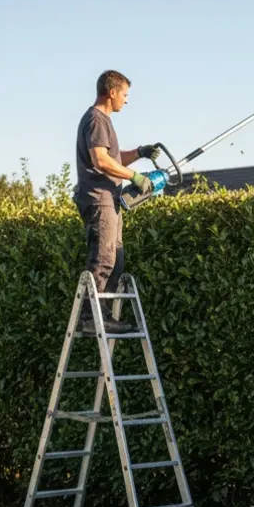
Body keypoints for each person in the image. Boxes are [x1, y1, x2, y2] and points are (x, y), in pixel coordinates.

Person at [74, 69, 160, 334]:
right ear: (112, 92)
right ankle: (91, 316)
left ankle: (104, 314)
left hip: (110, 199)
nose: (126, 99)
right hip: (98, 198)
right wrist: (134, 176)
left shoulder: (104, 122)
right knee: (103, 256)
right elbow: (101, 160)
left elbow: (113, 157)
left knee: (116, 258)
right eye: (124, 94)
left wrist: (140, 152)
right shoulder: (96, 119)